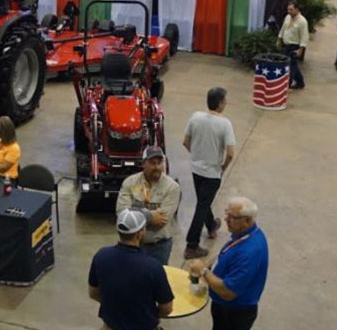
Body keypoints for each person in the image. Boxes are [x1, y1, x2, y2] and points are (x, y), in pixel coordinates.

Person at [186, 197, 269, 330]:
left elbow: (228, 292)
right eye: (227, 213)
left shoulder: (249, 252)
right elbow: (228, 253)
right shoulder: (246, 233)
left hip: (234, 312)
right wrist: (209, 265)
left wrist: (204, 272)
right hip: (224, 307)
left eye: (232, 217)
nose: (226, 219)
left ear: (247, 220)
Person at [88, 209, 174, 330]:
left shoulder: (101, 256)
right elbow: (167, 309)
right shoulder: (153, 267)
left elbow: (93, 293)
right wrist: (145, 314)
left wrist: (117, 307)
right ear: (140, 234)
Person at [183, 87, 236, 260]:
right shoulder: (224, 124)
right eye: (225, 100)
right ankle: (192, 245)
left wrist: (197, 156)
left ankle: (212, 225)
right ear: (220, 103)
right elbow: (230, 153)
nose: (226, 103)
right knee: (202, 205)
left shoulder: (195, 117)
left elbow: (185, 142)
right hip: (212, 173)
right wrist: (223, 167)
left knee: (202, 201)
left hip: (196, 169)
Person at [115, 146, 181, 265]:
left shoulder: (172, 187)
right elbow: (121, 213)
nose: (156, 167)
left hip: (159, 247)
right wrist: (150, 216)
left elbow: (162, 220)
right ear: (143, 164)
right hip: (134, 246)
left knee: (155, 279)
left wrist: (134, 214)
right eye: (152, 163)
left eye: (159, 163)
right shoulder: (130, 182)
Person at [277, 1, 308, 90]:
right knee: (293, 65)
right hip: (286, 44)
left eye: (291, 9)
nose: (289, 11)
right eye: (288, 9)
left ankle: (287, 85)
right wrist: (279, 39)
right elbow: (283, 28)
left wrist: (301, 49)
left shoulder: (302, 21)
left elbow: (304, 36)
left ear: (297, 9)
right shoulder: (287, 17)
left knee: (291, 66)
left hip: (294, 46)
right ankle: (300, 82)